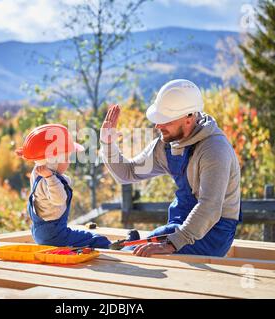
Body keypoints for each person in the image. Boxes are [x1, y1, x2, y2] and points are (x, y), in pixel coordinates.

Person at [100, 79, 242, 257]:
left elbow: (210, 207)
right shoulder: (166, 145)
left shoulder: (214, 149)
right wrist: (108, 144)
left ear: (189, 118)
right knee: (132, 252)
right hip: (179, 228)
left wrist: (172, 243)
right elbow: (127, 173)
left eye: (165, 120)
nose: (158, 126)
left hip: (212, 234)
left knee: (135, 256)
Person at [15, 124, 111, 248]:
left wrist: (31, 153)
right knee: (95, 240)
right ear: (54, 161)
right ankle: (114, 248)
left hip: (41, 233)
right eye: (66, 157)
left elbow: (42, 159)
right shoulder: (48, 180)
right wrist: (50, 177)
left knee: (83, 237)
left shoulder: (38, 174)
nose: (69, 161)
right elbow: (59, 199)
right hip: (55, 236)